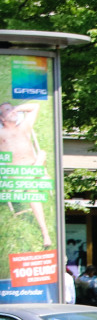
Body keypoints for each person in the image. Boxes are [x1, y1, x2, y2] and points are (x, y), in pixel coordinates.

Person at [0, 102, 51, 248]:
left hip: (33, 168)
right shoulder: (1, 133)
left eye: (13, 109)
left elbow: (35, 106)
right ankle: (45, 233)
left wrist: (16, 109)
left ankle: (34, 173)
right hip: (17, 174)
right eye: (8, 110)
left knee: (42, 154)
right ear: (2, 118)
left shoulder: (23, 127)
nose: (13, 112)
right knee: (32, 190)